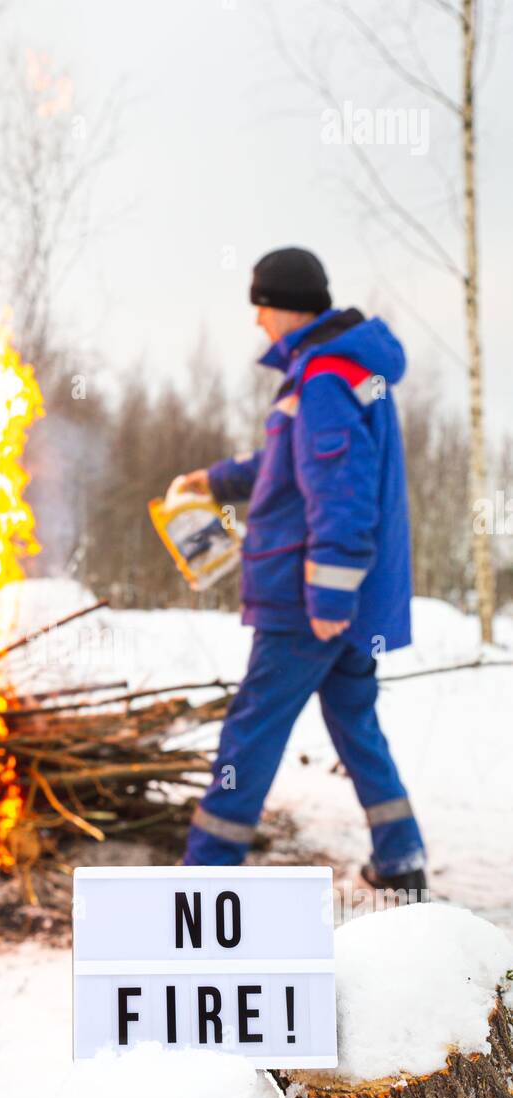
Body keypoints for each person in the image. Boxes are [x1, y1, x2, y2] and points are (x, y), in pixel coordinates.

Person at [177, 246, 426, 893]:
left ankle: (206, 872)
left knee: (252, 727)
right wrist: (215, 478)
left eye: (260, 308)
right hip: (338, 603)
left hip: (304, 601)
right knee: (354, 722)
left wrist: (327, 593)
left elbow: (341, 491)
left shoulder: (320, 379)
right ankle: (400, 854)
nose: (258, 324)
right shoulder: (342, 373)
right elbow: (287, 468)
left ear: (281, 306)